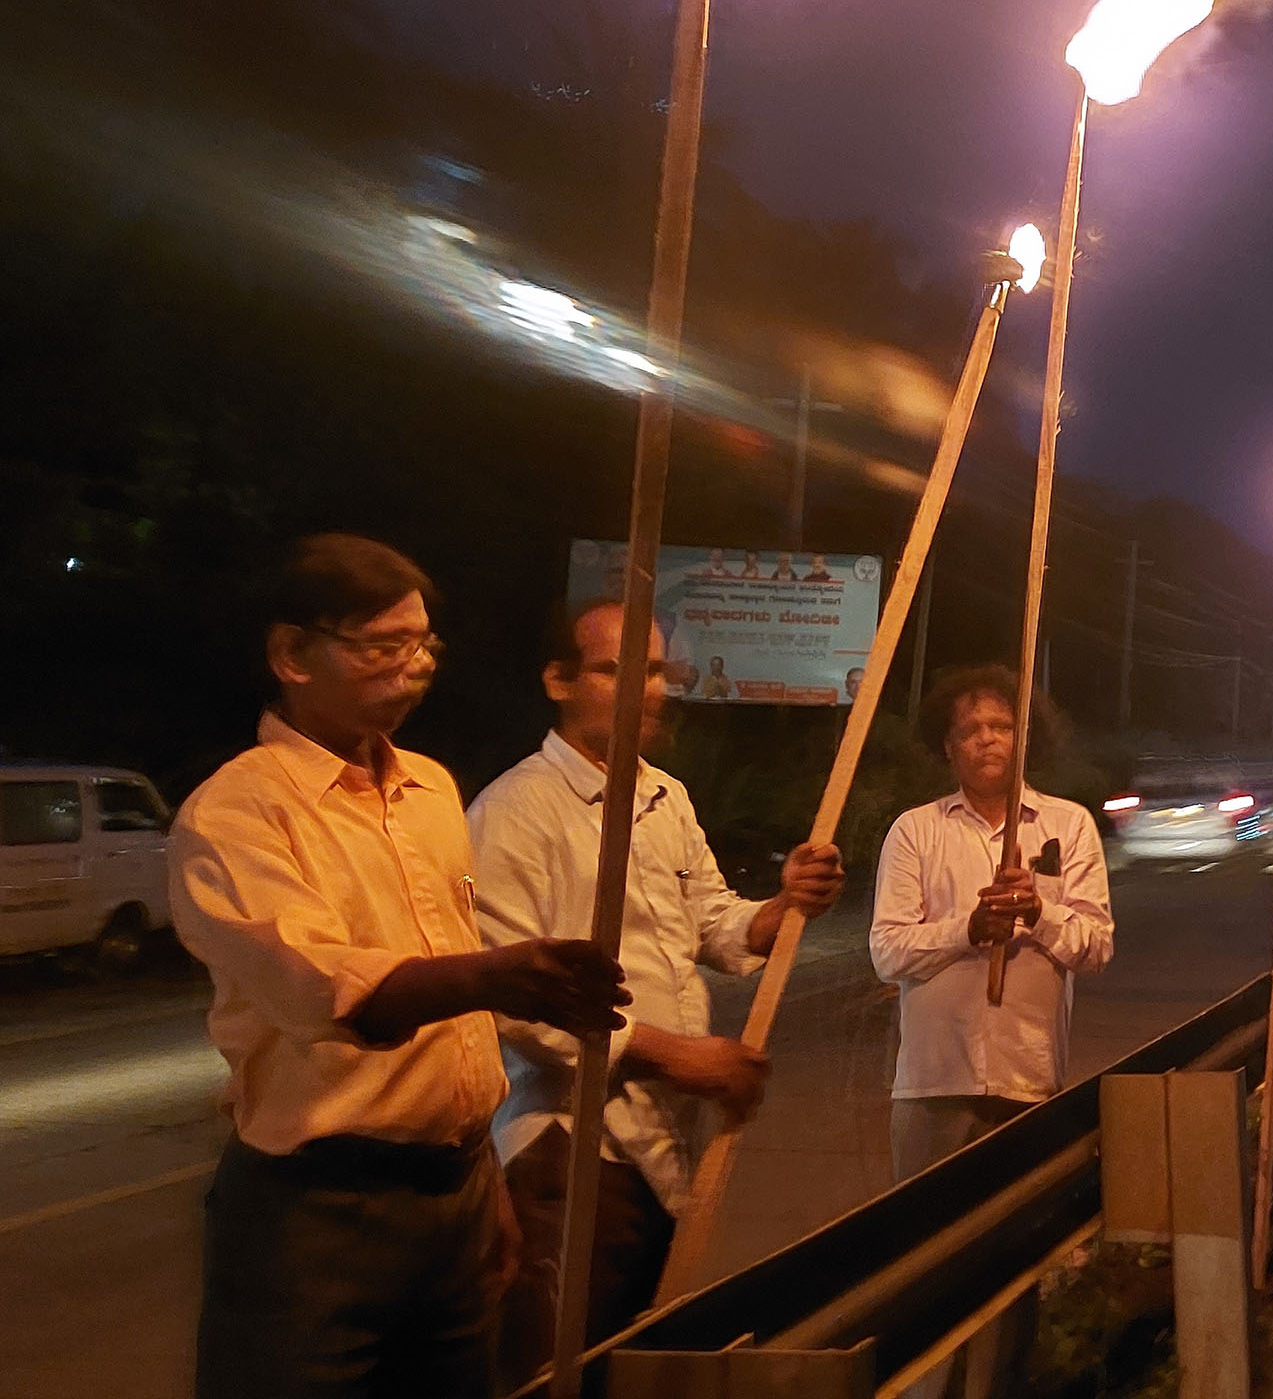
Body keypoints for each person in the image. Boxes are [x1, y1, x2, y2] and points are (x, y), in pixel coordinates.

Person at [169, 534, 628, 1399]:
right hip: (319, 1213)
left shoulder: (430, 790)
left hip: (455, 1194)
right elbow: (327, 991)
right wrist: (498, 976)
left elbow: (457, 1027)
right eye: (382, 647)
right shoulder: (236, 813)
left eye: (423, 646)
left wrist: (484, 1182)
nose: (413, 669)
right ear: (291, 654)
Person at [468, 599, 845, 1385]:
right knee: (554, 1372)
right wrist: (672, 1055)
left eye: (655, 670)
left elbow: (712, 921)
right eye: (617, 670)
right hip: (569, 1153)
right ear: (559, 681)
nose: (648, 690)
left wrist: (785, 905)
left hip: (661, 1150)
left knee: (638, 1370)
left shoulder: (665, 797)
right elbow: (514, 999)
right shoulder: (514, 811)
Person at [870, 665, 1113, 1179]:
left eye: (1001, 726)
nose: (986, 739)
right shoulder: (915, 831)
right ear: (948, 746)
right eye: (969, 730)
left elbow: (1096, 947)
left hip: (1029, 1080)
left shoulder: (1069, 825)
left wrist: (1038, 912)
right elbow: (887, 953)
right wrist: (970, 930)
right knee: (927, 1226)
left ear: (1024, 739)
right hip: (933, 1082)